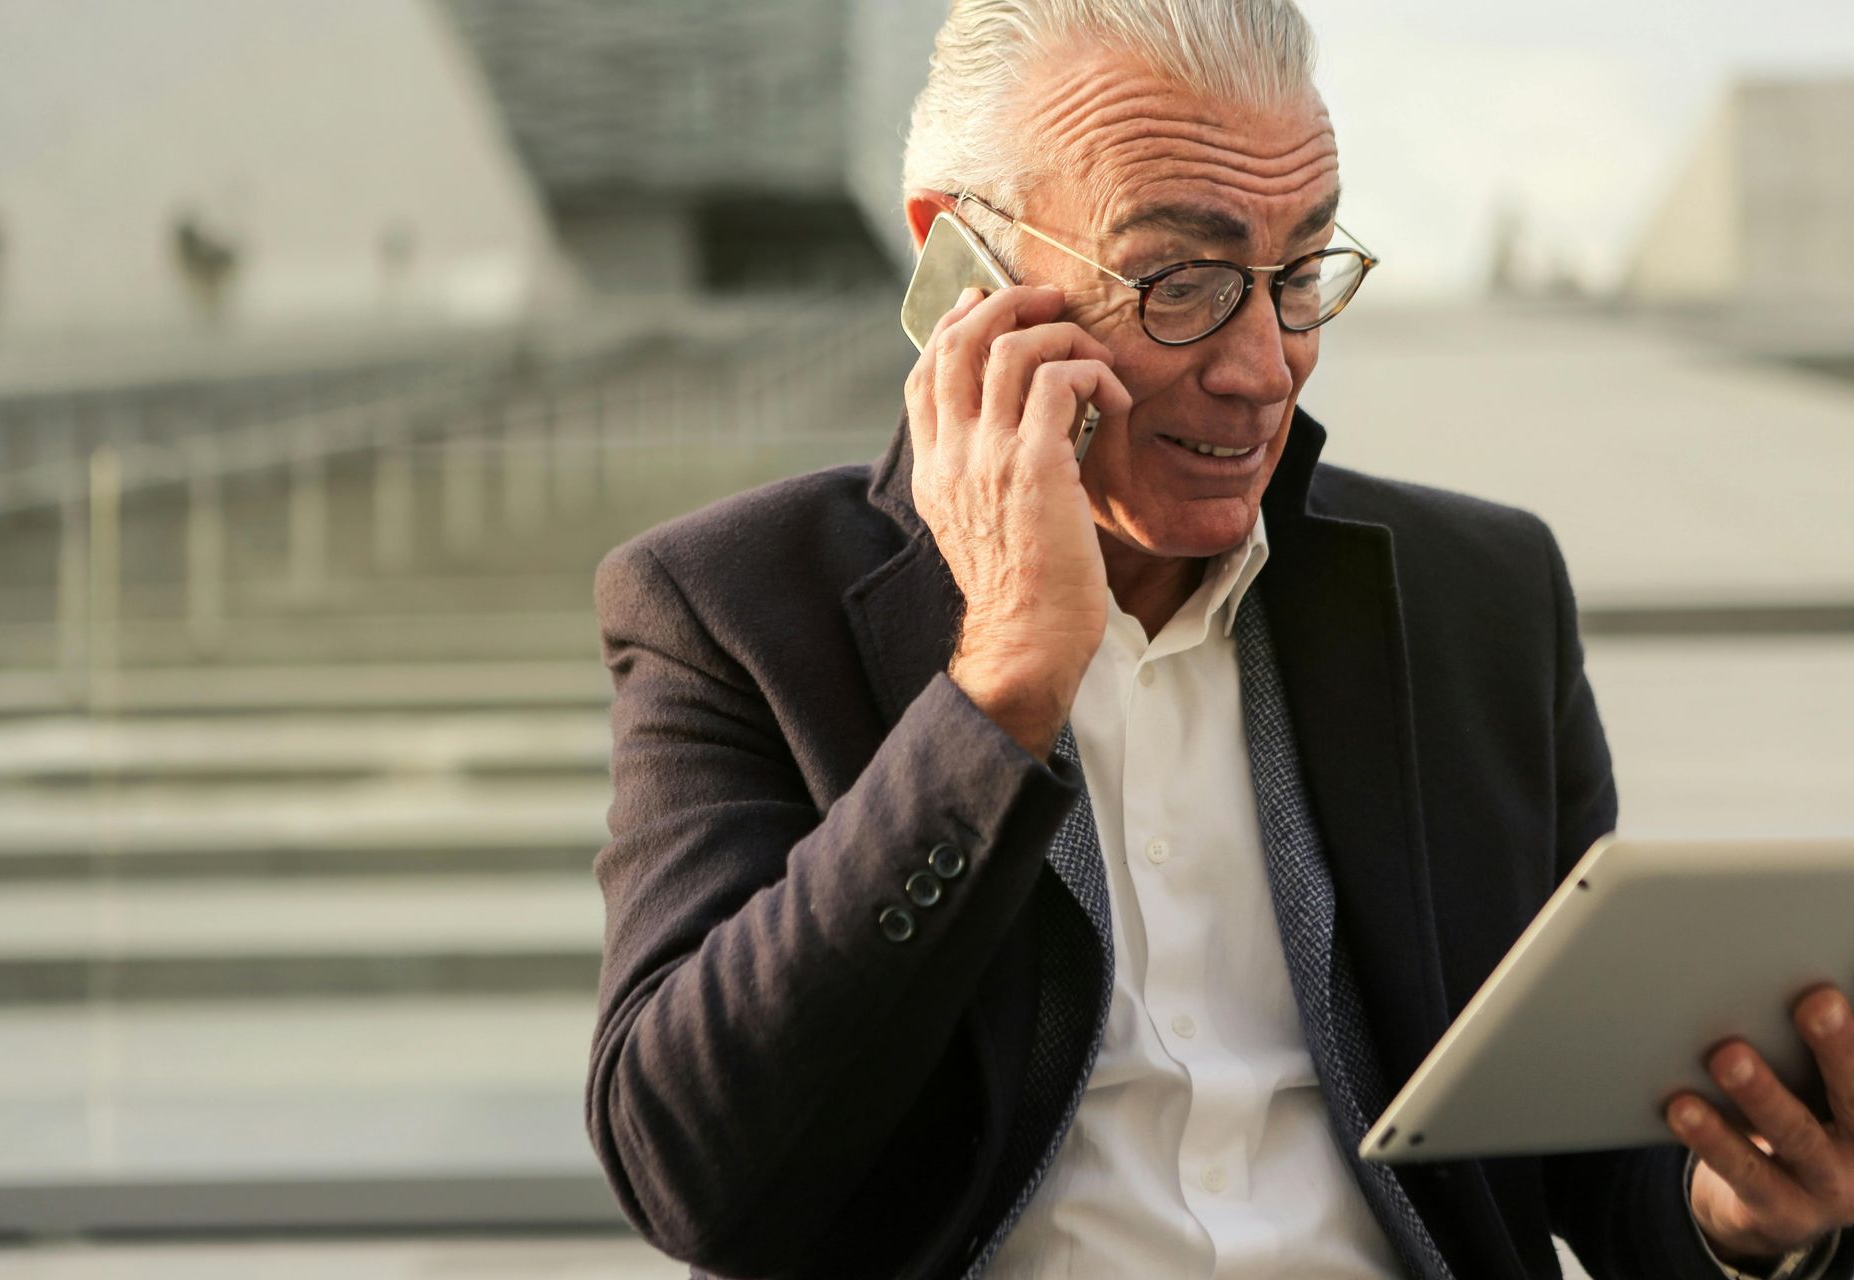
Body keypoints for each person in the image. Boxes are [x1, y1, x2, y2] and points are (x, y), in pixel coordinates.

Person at [584, 2, 1854, 1276]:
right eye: (1179, 281)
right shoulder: (733, 607)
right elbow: (693, 1167)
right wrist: (1000, 689)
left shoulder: (1481, 594)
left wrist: (1741, 1204)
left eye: (1298, 275)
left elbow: (1593, 1140)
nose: (1266, 364)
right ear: (963, 261)